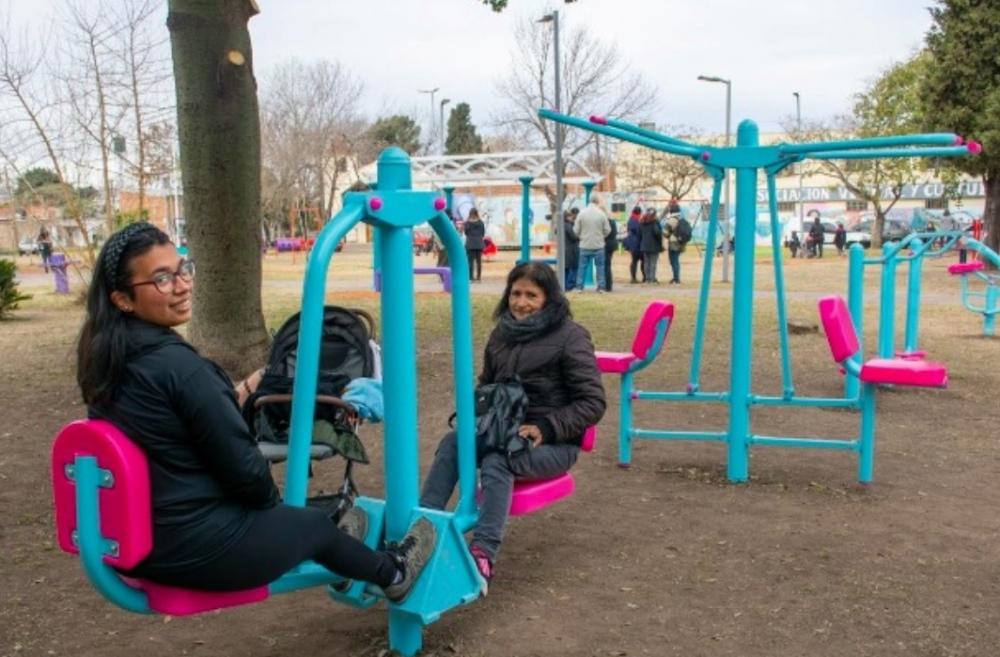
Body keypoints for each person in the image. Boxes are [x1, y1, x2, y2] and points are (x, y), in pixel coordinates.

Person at [76, 221, 435, 598]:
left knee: (296, 526)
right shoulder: (182, 370)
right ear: (122, 299)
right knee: (313, 525)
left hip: (138, 542)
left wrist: (243, 389)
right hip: (197, 551)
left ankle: (342, 561)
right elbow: (248, 474)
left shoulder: (105, 361)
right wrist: (272, 514)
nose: (182, 286)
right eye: (162, 279)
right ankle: (394, 573)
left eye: (182, 269)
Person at [419, 263, 605, 594]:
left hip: (553, 443)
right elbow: (487, 385)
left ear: (549, 299)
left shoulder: (571, 336)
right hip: (502, 431)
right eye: (516, 293)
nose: (521, 303)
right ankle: (423, 528)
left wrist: (545, 428)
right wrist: (476, 412)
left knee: (498, 459)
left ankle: (482, 554)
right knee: (453, 443)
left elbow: (592, 403)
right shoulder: (501, 335)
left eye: (531, 295)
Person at [572, 195, 611, 292]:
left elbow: (575, 230)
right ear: (597, 202)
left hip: (584, 245)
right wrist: (601, 236)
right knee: (600, 267)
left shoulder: (581, 213)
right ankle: (601, 287)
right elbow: (608, 230)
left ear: (589, 201)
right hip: (599, 245)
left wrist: (581, 236)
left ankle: (579, 287)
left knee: (582, 267)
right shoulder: (601, 214)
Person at [638, 208, 662, 284]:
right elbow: (657, 233)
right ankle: (652, 279)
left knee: (646, 263)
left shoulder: (642, 222)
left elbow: (639, 234)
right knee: (653, 263)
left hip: (644, 245)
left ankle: (647, 279)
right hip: (654, 245)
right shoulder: (654, 222)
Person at [662, 203, 684, 285]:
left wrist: (668, 236)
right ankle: (676, 277)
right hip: (681, 242)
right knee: (676, 261)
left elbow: (665, 232)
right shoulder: (681, 218)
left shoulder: (671, 220)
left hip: (673, 243)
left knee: (673, 261)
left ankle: (676, 278)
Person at [463, 208, 486, 282]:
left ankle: (471, 277)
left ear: (470, 214)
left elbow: (466, 233)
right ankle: (479, 277)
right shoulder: (481, 222)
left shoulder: (467, 223)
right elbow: (483, 233)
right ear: (477, 213)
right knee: (479, 261)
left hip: (470, 244)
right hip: (479, 243)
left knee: (470, 262)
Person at [623, 206, 644, 283]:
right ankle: (644, 277)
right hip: (638, 244)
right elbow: (639, 232)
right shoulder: (637, 221)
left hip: (632, 244)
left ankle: (633, 278)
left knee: (634, 261)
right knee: (643, 261)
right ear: (639, 213)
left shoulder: (630, 220)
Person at [563, 209, 581, 290]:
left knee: (565, 269)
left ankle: (564, 284)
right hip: (571, 250)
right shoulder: (568, 226)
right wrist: (580, 237)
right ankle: (569, 285)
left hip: (564, 250)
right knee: (573, 267)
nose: (572, 218)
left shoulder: (561, 225)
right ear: (567, 217)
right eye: (570, 216)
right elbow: (574, 237)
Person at [603, 214, 618, 292]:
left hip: (607, 244)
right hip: (612, 244)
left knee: (606, 265)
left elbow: (606, 233)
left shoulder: (607, 223)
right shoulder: (613, 222)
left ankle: (607, 285)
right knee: (608, 265)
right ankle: (608, 284)